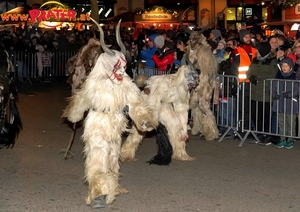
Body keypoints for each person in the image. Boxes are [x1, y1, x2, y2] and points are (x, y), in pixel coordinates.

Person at [62, 20, 156, 209]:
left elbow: (135, 104)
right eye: (117, 68)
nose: (121, 71)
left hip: (116, 125)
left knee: (113, 157)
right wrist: (74, 113)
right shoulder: (93, 84)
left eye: (122, 67)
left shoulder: (126, 85)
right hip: (97, 125)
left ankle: (111, 186)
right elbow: (81, 101)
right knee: (98, 158)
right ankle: (99, 193)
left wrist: (143, 119)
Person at [247, 42, 278, 145]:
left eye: (258, 50)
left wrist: (258, 79)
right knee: (255, 115)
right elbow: (249, 70)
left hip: (266, 94)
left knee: (265, 117)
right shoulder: (255, 60)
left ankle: (266, 135)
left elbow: (271, 75)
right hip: (254, 93)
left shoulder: (272, 61)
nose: (256, 52)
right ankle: (259, 133)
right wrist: (250, 76)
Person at [228, 29, 257, 135]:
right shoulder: (236, 52)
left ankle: (247, 128)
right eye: (246, 37)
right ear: (241, 38)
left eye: (249, 36)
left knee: (249, 108)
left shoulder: (254, 50)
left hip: (252, 83)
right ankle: (241, 130)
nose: (248, 38)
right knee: (242, 108)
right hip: (242, 83)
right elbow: (233, 69)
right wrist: (235, 84)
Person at [272, 57, 298, 149]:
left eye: (286, 66)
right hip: (280, 103)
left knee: (290, 122)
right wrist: (274, 94)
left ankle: (290, 139)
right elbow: (273, 86)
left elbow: (297, 90)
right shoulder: (278, 76)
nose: (284, 68)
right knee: (281, 122)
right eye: (283, 66)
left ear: (290, 67)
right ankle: (282, 138)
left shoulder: (294, 76)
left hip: (290, 104)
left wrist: (289, 94)